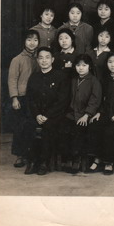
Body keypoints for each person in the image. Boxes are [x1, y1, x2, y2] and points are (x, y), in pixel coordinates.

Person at [25, 47, 70, 175]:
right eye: (41, 58)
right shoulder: (34, 77)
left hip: (54, 115)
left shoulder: (60, 76)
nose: (44, 61)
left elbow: (62, 100)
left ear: (52, 59)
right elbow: (30, 99)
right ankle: (31, 161)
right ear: (37, 60)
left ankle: (43, 162)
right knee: (27, 126)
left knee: (48, 128)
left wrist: (47, 115)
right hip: (37, 114)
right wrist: (37, 114)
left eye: (47, 57)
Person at [61, 54, 102, 174]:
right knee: (64, 129)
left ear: (89, 66)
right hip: (72, 113)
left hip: (85, 115)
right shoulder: (74, 80)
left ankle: (77, 159)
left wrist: (86, 115)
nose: (81, 68)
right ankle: (68, 158)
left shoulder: (94, 81)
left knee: (79, 130)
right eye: (78, 65)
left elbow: (95, 100)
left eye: (84, 65)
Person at [8, 29, 40, 169]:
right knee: (20, 127)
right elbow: (12, 80)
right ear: (24, 41)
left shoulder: (40, 58)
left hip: (35, 98)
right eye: (29, 40)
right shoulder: (17, 59)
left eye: (35, 40)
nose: (32, 43)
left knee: (31, 126)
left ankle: (31, 154)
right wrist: (14, 98)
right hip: (22, 97)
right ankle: (19, 155)